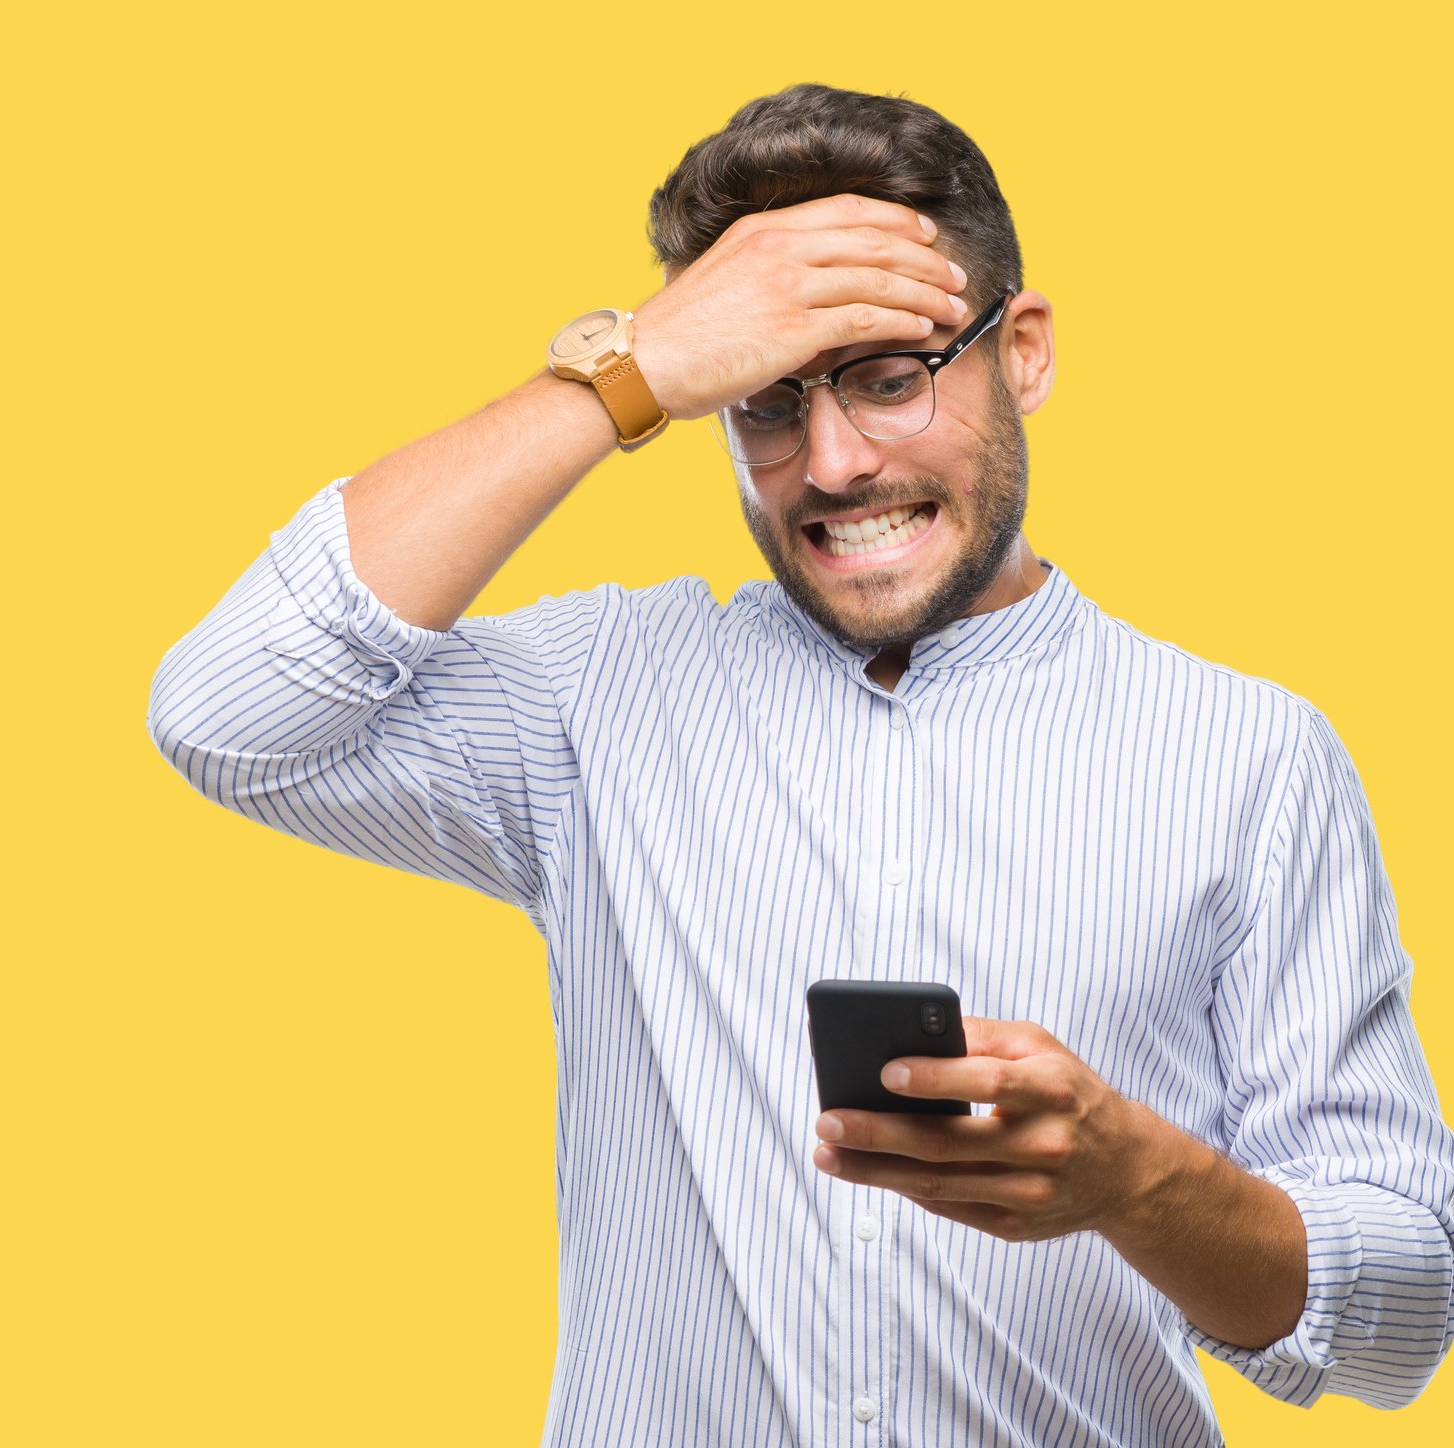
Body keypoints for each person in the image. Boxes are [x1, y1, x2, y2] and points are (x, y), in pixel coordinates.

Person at [144, 82, 1454, 1443]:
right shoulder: (596, 701)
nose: (830, 462)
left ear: (1023, 355)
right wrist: (623, 371)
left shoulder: (1247, 757)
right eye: (762, 401)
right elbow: (229, 713)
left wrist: (1137, 1182)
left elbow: (1401, 1319)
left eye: (890, 377)